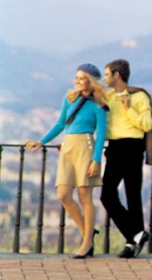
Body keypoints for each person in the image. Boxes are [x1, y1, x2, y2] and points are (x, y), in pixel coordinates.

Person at [25, 63, 107, 259]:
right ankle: (86, 232)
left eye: (81, 78)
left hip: (85, 147)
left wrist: (96, 161)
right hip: (68, 147)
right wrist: (42, 141)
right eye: (76, 78)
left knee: (85, 196)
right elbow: (61, 123)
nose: (77, 81)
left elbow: (101, 135)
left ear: (91, 81)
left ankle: (87, 242)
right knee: (63, 194)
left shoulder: (99, 105)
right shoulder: (69, 98)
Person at [101, 59, 152, 258]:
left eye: (107, 74)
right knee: (107, 194)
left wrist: (128, 108)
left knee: (133, 195)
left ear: (117, 75)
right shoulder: (107, 97)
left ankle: (133, 242)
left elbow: (147, 124)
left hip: (132, 147)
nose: (105, 78)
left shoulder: (139, 96)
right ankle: (136, 233)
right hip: (114, 148)